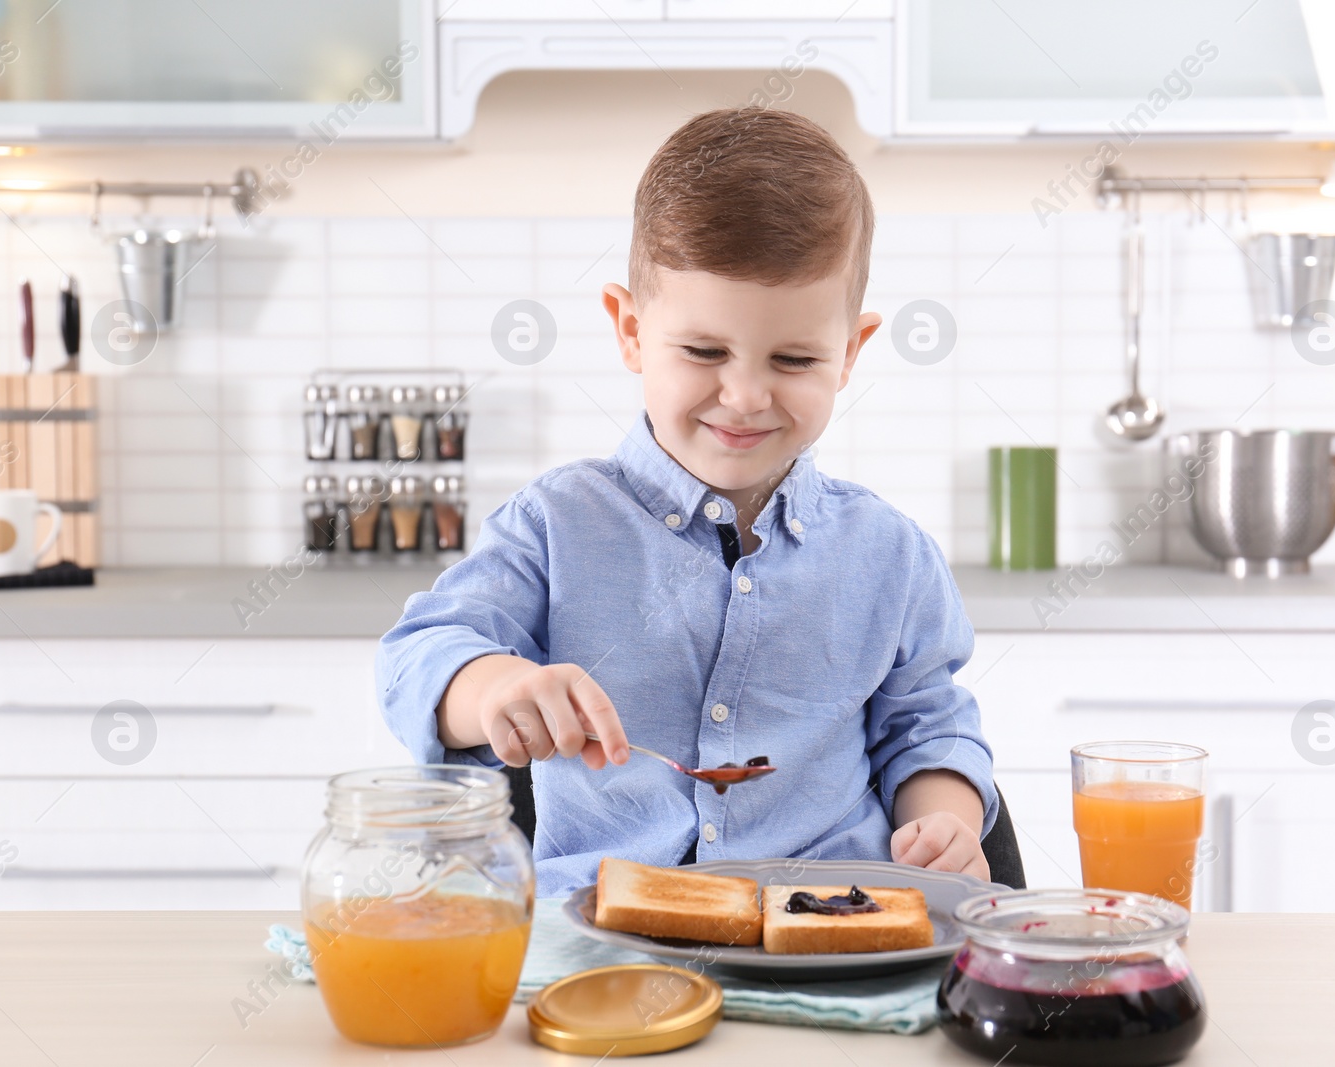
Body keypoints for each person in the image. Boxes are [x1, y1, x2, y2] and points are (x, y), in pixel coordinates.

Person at [377, 106, 996, 898]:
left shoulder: (891, 554)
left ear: (850, 353)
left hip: (834, 926)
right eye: (704, 351)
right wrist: (494, 686)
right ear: (631, 329)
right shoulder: (557, 523)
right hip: (606, 931)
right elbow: (417, 653)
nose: (744, 395)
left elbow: (927, 725)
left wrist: (943, 820)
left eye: (795, 357)